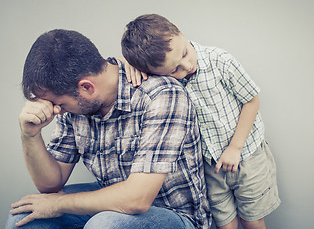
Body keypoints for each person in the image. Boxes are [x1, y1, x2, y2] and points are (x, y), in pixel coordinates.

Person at [6, 29, 211, 229]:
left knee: (105, 224)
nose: (56, 111)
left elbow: (137, 199)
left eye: (60, 104)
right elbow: (50, 184)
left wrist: (58, 204)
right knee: (23, 218)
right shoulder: (73, 106)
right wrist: (30, 134)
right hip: (110, 201)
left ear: (86, 88)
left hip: (174, 215)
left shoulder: (161, 94)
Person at [121, 14, 281, 229]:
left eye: (185, 53)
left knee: (252, 220)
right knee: (225, 223)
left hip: (247, 157)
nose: (187, 66)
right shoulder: (162, 80)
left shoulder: (220, 60)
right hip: (210, 166)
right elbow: (112, 66)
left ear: (179, 30)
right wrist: (126, 63)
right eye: (174, 70)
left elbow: (251, 101)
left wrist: (235, 147)